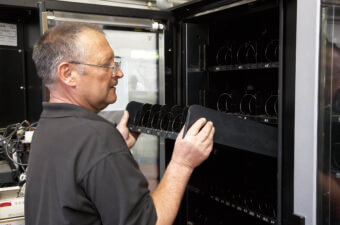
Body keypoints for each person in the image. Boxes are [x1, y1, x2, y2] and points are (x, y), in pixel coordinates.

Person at [25, 22, 215, 225]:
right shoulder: (97, 138)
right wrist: (181, 164)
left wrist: (112, 152)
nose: (119, 73)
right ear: (68, 74)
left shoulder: (47, 127)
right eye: (108, 65)